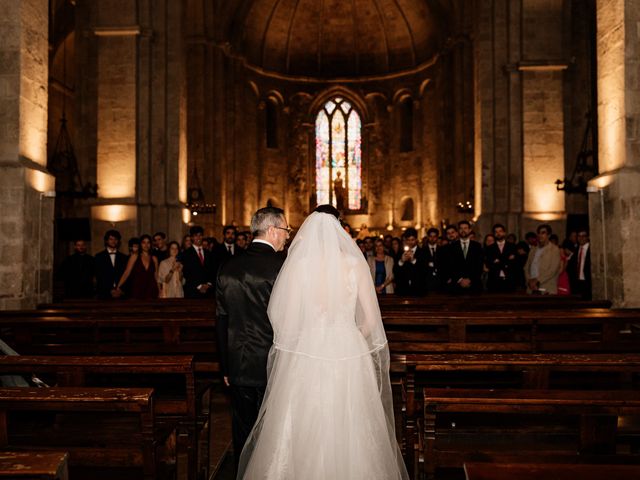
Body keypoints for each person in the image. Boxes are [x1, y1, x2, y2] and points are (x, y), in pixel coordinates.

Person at [236, 205, 408, 480]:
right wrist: (349, 336)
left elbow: (280, 315)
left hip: (307, 349)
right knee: (349, 421)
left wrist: (308, 333)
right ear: (340, 230)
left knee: (302, 418)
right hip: (347, 349)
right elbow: (371, 321)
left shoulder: (300, 265)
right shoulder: (354, 264)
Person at [216, 207, 289, 469]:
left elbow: (222, 321)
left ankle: (243, 472)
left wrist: (225, 366)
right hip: (273, 361)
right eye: (285, 230)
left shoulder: (228, 266)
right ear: (272, 230)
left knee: (242, 428)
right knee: (273, 429)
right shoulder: (283, 266)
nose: (286, 237)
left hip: (238, 362)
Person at [442, 220, 484, 294]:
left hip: (474, 285)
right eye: (461, 228)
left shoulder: (477, 246)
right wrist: (460, 279)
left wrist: (470, 279)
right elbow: (450, 266)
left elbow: (479, 265)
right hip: (456, 285)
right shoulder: (451, 247)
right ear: (458, 230)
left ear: (470, 230)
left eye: (465, 228)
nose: (463, 230)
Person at [116, 234, 159, 299]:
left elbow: (156, 276)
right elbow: (127, 272)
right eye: (143, 242)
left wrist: (160, 290)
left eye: (148, 243)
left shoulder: (154, 258)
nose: (146, 245)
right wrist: (118, 286)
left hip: (151, 289)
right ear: (140, 244)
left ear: (151, 244)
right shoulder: (134, 256)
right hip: (137, 288)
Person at [524, 224, 561, 295]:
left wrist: (537, 281)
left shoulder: (554, 249)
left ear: (549, 235)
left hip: (546, 288)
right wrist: (529, 281)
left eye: (543, 233)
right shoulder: (533, 249)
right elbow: (526, 268)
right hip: (531, 288)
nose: (540, 235)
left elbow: (552, 270)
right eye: (539, 233)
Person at [180, 225, 216, 298]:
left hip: (208, 291)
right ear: (192, 238)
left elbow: (213, 270)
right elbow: (186, 272)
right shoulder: (186, 254)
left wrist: (208, 284)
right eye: (196, 236)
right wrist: (199, 286)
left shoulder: (208, 253)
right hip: (192, 291)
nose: (198, 238)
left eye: (200, 235)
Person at [94, 229, 128, 299]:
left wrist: (120, 290)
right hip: (104, 294)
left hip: (121, 294)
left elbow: (126, 275)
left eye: (115, 239)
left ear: (118, 241)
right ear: (106, 241)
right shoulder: (99, 257)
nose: (113, 241)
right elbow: (99, 276)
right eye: (111, 239)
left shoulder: (124, 257)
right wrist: (110, 290)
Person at [485, 223, 518, 292]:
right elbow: (489, 264)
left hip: (510, 281)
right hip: (494, 281)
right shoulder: (489, 248)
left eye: (500, 231)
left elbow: (515, 264)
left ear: (504, 233)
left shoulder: (512, 246)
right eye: (496, 232)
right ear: (494, 234)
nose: (498, 233)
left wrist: (498, 261)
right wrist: (506, 260)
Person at [393, 227, 427, 296]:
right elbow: (395, 271)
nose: (410, 242)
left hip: (419, 291)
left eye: (412, 240)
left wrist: (414, 261)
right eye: (408, 240)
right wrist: (401, 262)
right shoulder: (400, 253)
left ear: (416, 239)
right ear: (405, 240)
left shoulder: (423, 252)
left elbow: (425, 272)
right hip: (402, 291)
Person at [568, 229, 591, 299]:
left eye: (583, 236)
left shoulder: (591, 249)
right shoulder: (577, 249)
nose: (581, 238)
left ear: (587, 237)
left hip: (587, 282)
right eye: (579, 236)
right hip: (577, 282)